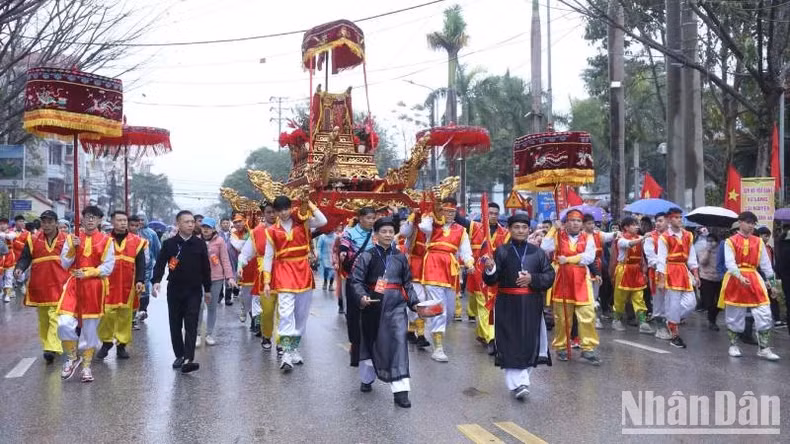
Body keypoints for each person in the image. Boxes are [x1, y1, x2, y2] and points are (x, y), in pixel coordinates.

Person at [483, 213, 555, 400]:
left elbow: (549, 276)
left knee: (528, 342)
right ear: (510, 229)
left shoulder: (538, 253)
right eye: (516, 227)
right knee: (510, 342)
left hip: (531, 303)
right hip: (507, 303)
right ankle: (518, 384)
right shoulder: (502, 251)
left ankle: (522, 381)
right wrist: (490, 268)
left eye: (524, 227)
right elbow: (492, 280)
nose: (520, 231)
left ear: (529, 229)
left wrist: (533, 279)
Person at [350, 217, 420, 408]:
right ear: (376, 235)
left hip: (397, 306)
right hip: (373, 305)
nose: (388, 235)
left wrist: (415, 304)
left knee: (398, 344)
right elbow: (356, 282)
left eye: (391, 231)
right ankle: (367, 378)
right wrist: (362, 297)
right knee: (372, 342)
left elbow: (408, 284)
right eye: (384, 232)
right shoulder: (367, 256)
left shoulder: (401, 257)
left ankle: (401, 391)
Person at [262, 196, 327, 372]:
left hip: (303, 272)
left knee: (301, 316)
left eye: (286, 209)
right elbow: (268, 256)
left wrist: (310, 203)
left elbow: (323, 221)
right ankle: (286, 354)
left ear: (291, 208)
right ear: (274, 212)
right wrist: (267, 281)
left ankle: (293, 349)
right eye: (279, 210)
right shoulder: (271, 231)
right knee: (285, 314)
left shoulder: (303, 223)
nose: (283, 213)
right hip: (283, 272)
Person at [57, 206, 115, 383]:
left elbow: (108, 266)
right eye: (87, 217)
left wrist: (90, 272)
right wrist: (72, 249)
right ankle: (73, 357)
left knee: (89, 330)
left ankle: (87, 366)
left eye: (94, 218)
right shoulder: (72, 238)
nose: (90, 220)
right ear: (81, 219)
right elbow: (65, 263)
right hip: (74, 285)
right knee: (64, 323)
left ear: (99, 221)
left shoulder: (106, 240)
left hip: (94, 287)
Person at [152, 210, 212, 374]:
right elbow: (160, 264)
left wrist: (207, 289)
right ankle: (179, 354)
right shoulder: (169, 244)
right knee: (175, 323)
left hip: (194, 290)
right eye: (187, 222)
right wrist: (156, 281)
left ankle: (188, 358)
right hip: (175, 290)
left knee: (191, 323)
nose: (191, 224)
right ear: (178, 224)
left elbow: (206, 268)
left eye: (192, 222)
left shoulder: (199, 244)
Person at [418, 197, 474, 363]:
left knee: (449, 313)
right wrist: (433, 211)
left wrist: (470, 263)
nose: (449, 214)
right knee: (439, 308)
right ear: (440, 211)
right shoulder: (432, 226)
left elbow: (466, 251)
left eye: (452, 212)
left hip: (451, 268)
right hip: (433, 264)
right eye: (446, 211)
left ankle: (432, 323)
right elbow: (423, 226)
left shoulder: (461, 230)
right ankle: (438, 347)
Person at [540, 209, 600, 364]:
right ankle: (561, 347)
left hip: (581, 281)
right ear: (566, 222)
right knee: (562, 318)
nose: (575, 223)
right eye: (572, 220)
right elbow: (545, 247)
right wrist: (554, 228)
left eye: (579, 221)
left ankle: (588, 348)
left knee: (587, 315)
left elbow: (589, 257)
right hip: (563, 280)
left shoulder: (588, 237)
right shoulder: (558, 236)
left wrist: (567, 259)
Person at [719, 212, 779, 360]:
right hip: (735, 279)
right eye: (748, 222)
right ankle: (733, 345)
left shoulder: (758, 242)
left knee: (764, 312)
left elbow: (766, 265)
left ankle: (763, 348)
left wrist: (772, 285)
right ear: (740, 223)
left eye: (753, 223)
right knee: (735, 314)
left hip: (754, 279)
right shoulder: (730, 242)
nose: (751, 225)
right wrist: (739, 276)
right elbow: (730, 263)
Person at [14, 210, 68, 363]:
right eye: (44, 222)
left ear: (56, 223)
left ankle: (52, 347)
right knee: (43, 319)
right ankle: (48, 345)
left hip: (60, 284)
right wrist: (19, 268)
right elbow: (25, 258)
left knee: (55, 317)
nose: (47, 225)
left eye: (50, 222)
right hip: (40, 285)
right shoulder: (33, 239)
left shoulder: (67, 240)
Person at [95, 211, 146, 360]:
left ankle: (122, 345)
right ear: (112, 221)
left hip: (128, 284)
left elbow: (141, 263)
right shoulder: (104, 240)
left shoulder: (136, 241)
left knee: (125, 314)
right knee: (106, 314)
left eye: (125, 220)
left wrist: (140, 280)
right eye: (119, 220)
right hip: (108, 283)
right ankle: (106, 342)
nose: (123, 223)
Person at [236, 201, 278, 350]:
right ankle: (266, 335)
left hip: (285, 273)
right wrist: (240, 266)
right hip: (265, 276)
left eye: (275, 211)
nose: (272, 215)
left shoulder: (287, 228)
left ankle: (282, 345)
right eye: (269, 212)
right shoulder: (256, 232)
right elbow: (245, 254)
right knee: (267, 311)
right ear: (263, 214)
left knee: (285, 311)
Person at [656, 207, 699, 349]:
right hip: (671, 271)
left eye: (680, 217)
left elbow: (692, 257)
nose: (679, 220)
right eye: (676, 217)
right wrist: (661, 279)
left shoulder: (688, 235)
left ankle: (670, 320)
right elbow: (661, 259)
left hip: (684, 271)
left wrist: (696, 274)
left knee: (691, 303)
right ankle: (675, 335)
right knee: (673, 303)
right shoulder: (664, 237)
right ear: (669, 219)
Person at [339, 207, 376, 366]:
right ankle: (356, 348)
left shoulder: (379, 233)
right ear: (360, 218)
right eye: (368, 218)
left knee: (376, 312)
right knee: (354, 315)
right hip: (355, 280)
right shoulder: (349, 233)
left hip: (376, 281)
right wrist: (342, 253)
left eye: (373, 218)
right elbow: (343, 247)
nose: (371, 221)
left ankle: (373, 346)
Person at [611, 216, 653, 334]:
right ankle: (616, 320)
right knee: (620, 297)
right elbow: (629, 244)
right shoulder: (621, 239)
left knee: (638, 296)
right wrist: (643, 238)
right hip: (624, 270)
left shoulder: (640, 237)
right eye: (634, 225)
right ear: (626, 227)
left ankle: (643, 322)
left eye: (637, 224)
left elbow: (647, 241)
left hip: (636, 271)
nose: (637, 227)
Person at [199, 217, 236, 346]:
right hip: (200, 279)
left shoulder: (220, 241)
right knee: (199, 306)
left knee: (212, 307)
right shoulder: (197, 240)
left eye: (208, 227)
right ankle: (198, 334)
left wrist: (229, 277)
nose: (206, 230)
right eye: (204, 227)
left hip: (216, 278)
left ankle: (209, 334)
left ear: (214, 228)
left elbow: (225, 260)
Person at [583, 214, 615, 330]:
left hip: (597, 265)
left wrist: (616, 233)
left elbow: (608, 236)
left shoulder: (598, 234)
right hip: (584, 267)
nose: (591, 226)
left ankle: (594, 316)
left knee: (595, 293)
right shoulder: (580, 236)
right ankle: (591, 317)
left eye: (592, 223)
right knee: (588, 292)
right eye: (589, 223)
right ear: (583, 225)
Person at [644, 212, 670, 339]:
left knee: (672, 300)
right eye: (657, 221)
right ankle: (660, 328)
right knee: (659, 301)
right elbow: (651, 259)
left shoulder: (674, 236)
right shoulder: (650, 238)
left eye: (661, 220)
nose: (658, 223)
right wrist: (665, 264)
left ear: (668, 222)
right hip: (656, 274)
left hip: (674, 273)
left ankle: (670, 324)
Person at [756, 226, 786, 328]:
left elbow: (772, 262)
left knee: (774, 297)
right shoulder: (756, 247)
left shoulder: (769, 248)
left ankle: (777, 320)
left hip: (770, 274)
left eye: (768, 236)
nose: (767, 238)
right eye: (765, 236)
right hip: (759, 276)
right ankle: (757, 321)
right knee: (760, 298)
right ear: (759, 236)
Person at [135, 213, 161, 324]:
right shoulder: (131, 232)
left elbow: (157, 250)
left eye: (142, 219)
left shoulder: (152, 234)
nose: (140, 222)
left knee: (144, 288)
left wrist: (159, 265)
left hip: (146, 266)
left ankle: (143, 310)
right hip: (132, 265)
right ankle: (134, 311)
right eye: (138, 220)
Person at [231, 214, 255, 324]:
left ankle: (256, 321)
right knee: (246, 294)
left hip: (257, 264)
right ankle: (244, 310)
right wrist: (250, 238)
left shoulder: (253, 229)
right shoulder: (234, 234)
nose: (238, 224)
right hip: (244, 266)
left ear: (245, 221)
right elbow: (239, 246)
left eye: (240, 221)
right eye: (235, 222)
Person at [697, 231, 723, 330]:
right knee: (709, 302)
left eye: (712, 241)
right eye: (708, 241)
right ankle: (711, 321)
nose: (710, 243)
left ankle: (712, 318)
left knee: (720, 303)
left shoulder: (721, 250)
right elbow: (702, 262)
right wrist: (708, 251)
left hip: (718, 278)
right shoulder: (703, 249)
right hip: (706, 278)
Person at [0, 217, 19, 301]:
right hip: (0, 256)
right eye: (0, 224)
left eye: (4, 224)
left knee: (8, 276)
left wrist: (3, 234)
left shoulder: (12, 233)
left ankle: (7, 294)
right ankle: (1, 292)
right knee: (0, 276)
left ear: (7, 225)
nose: (2, 226)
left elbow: (10, 237)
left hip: (9, 256)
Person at [317, 226, 340, 291]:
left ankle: (331, 285)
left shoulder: (336, 237)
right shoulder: (322, 237)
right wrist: (319, 254)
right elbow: (319, 247)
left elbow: (338, 246)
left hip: (333, 257)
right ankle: (325, 282)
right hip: (324, 257)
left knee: (333, 271)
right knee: (326, 271)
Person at [217, 217, 234, 306]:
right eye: (224, 223)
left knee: (229, 278)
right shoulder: (217, 235)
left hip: (230, 259)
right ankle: (220, 296)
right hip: (219, 260)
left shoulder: (233, 234)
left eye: (227, 223)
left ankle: (228, 298)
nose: (225, 224)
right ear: (221, 225)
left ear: (229, 224)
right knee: (219, 278)